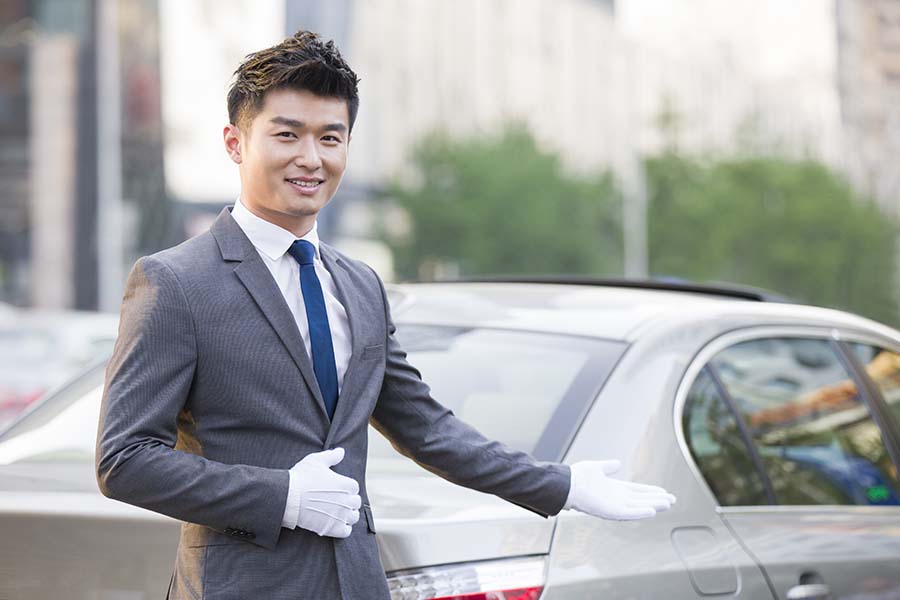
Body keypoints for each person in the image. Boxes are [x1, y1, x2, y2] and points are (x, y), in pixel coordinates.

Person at [96, 30, 676, 600]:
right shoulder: (174, 282)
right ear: (234, 142)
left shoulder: (361, 285)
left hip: (357, 583)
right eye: (287, 135)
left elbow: (428, 429)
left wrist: (562, 483)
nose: (310, 158)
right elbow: (124, 459)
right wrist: (281, 495)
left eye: (330, 137)